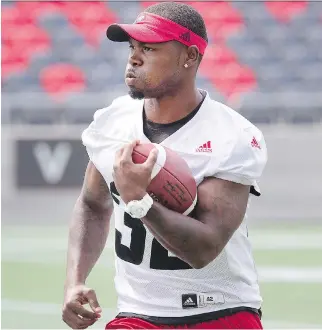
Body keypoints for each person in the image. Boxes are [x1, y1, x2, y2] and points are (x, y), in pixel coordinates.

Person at [62, 2, 268, 329]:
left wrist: (140, 202)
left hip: (220, 312)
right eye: (132, 47)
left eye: (149, 48)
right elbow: (92, 204)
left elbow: (204, 248)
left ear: (190, 56)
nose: (134, 57)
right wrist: (74, 281)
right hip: (137, 314)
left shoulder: (233, 136)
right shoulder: (112, 123)